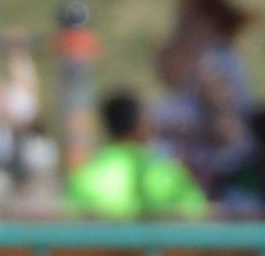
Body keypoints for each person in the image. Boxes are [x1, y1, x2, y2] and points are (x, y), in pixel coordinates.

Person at [148, 0, 263, 203]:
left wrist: (174, 129)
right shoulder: (213, 61)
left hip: (219, 179)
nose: (179, 27)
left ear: (205, 23)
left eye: (185, 20)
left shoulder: (214, 66)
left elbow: (227, 129)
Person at [62, 87, 205, 219]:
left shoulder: (85, 176)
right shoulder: (168, 173)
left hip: (99, 245)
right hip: (157, 246)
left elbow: (68, 218)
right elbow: (199, 214)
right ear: (141, 125)